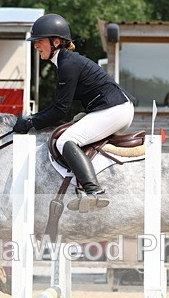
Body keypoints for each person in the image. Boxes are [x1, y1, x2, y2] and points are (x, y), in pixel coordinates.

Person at [12, 13, 135, 213]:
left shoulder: (68, 64)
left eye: (39, 41)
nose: (36, 46)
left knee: (64, 141)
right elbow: (59, 107)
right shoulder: (65, 61)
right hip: (112, 108)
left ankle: (94, 191)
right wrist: (33, 120)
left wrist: (30, 122)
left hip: (114, 110)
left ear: (56, 42)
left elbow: (60, 110)